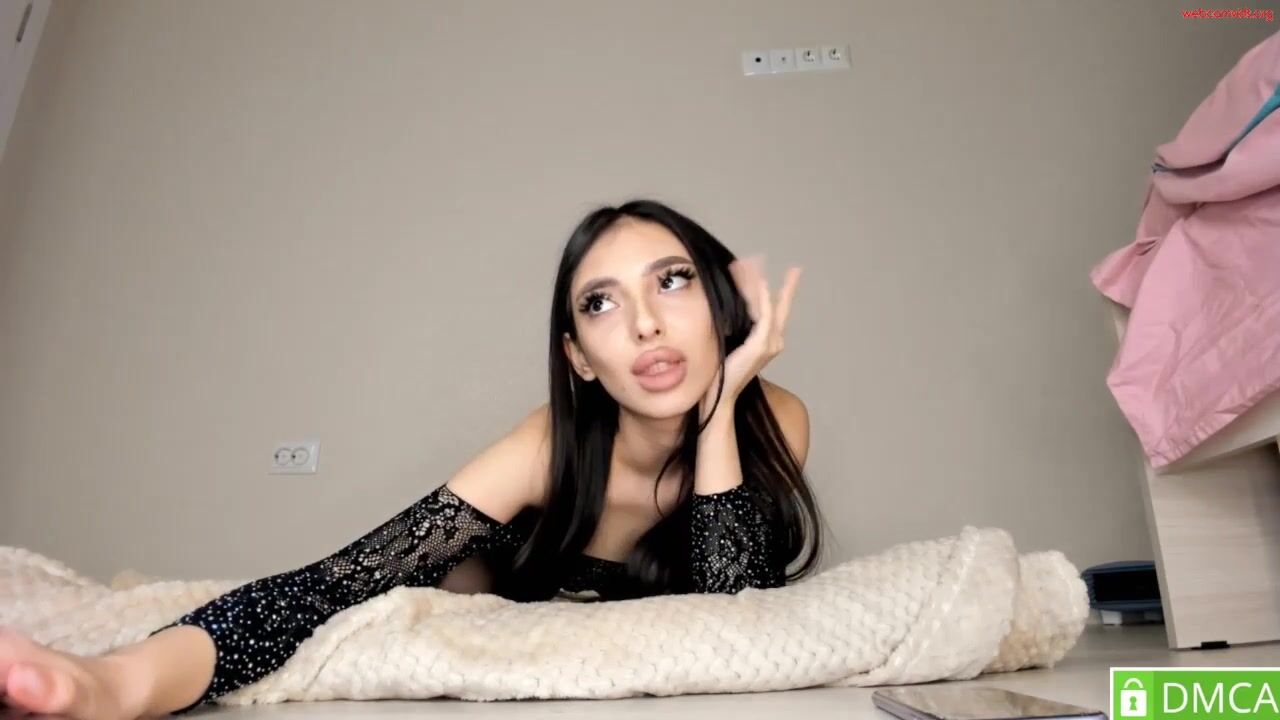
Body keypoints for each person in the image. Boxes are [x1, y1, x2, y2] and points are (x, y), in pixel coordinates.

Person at [0, 199, 825, 719]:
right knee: (335, 595)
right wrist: (114, 685)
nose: (645, 323)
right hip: (480, 586)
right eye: (601, 303)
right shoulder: (548, 445)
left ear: (723, 303)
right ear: (579, 357)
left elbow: (735, 616)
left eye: (672, 281)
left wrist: (724, 402)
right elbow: (329, 585)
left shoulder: (773, 419)